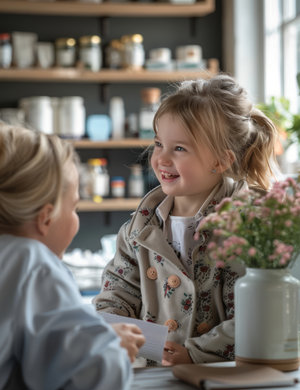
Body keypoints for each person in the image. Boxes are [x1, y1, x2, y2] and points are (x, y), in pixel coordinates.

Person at [93, 74, 278, 366]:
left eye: (179, 148)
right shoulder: (137, 229)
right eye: (158, 144)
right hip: (152, 381)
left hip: (224, 379)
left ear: (220, 161)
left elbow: (261, 310)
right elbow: (116, 292)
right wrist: (115, 330)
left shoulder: (250, 227)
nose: (161, 159)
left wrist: (196, 352)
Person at [0, 122, 145, 390]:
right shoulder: (30, 261)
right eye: (74, 207)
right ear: (46, 218)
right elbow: (97, 385)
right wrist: (110, 344)